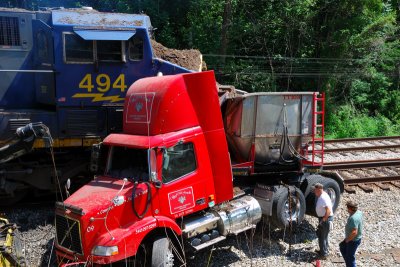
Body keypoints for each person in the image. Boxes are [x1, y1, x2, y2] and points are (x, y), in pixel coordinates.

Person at [340, 201, 363, 267]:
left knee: (350, 256)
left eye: (347, 208)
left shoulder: (353, 218)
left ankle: (350, 264)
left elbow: (354, 232)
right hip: (354, 239)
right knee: (342, 247)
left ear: (350, 208)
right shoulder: (359, 212)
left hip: (353, 240)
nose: (347, 209)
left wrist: (347, 240)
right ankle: (348, 263)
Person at [313, 182, 333, 259]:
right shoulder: (323, 195)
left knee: (322, 237)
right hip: (325, 218)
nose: (314, 192)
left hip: (325, 219)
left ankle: (323, 254)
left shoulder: (323, 198)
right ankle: (324, 250)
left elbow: (328, 211)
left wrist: (323, 220)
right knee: (324, 236)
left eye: (315, 190)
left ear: (319, 189)